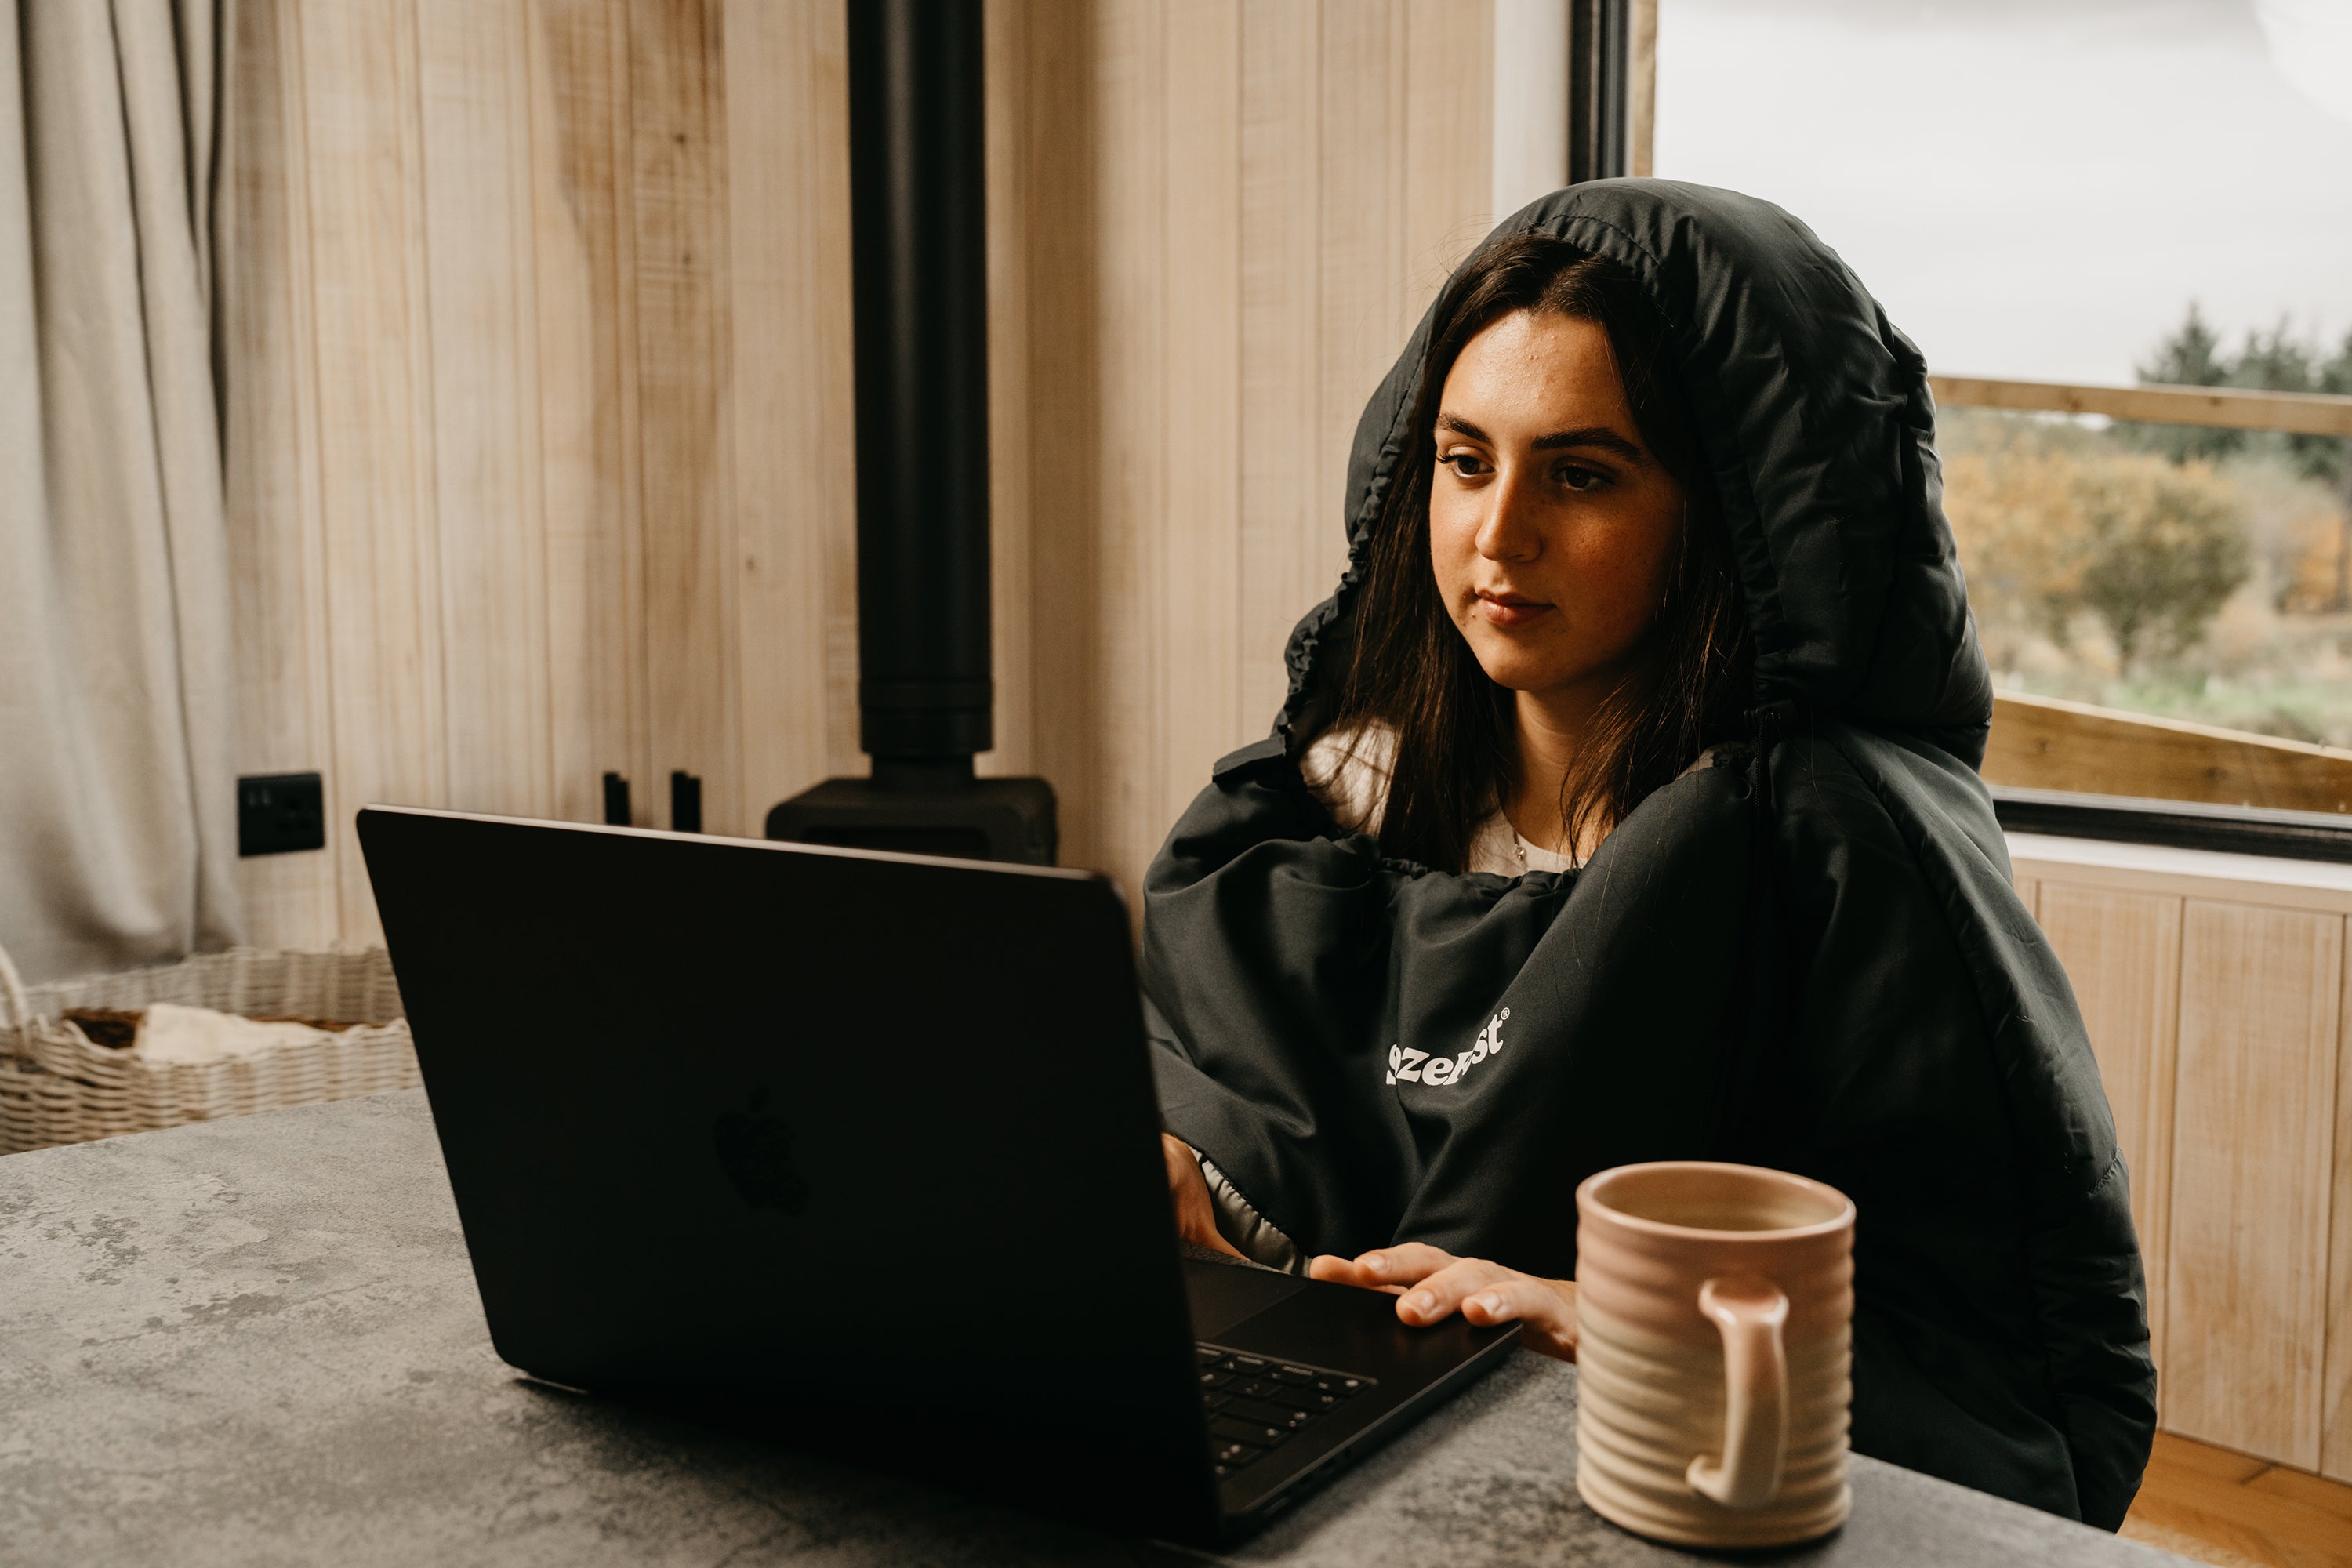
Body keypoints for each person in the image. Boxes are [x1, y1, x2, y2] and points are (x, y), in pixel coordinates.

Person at [1142, 182, 2157, 1530]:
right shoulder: (1310, 819)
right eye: (1463, 461)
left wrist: (1611, 1330)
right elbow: (1281, 1144)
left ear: (1723, 516)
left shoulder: (1847, 853)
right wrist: (1170, 1170)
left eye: (1582, 475)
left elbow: (2026, 1395)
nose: (1500, 535)